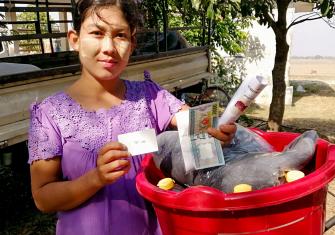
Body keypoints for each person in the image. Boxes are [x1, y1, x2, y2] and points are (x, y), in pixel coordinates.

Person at [27, 0, 236, 234]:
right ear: (75, 39)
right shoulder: (50, 113)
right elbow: (43, 198)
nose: (108, 47)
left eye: (120, 35)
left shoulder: (149, 97)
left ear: (132, 42)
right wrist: (95, 178)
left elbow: (199, 124)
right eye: (97, 33)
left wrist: (216, 129)